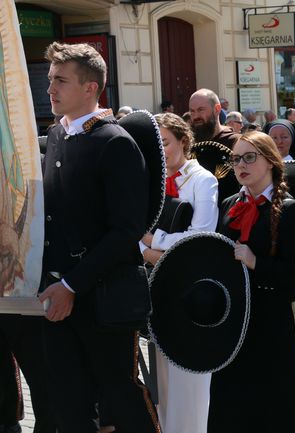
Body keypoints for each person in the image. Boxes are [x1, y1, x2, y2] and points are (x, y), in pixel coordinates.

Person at [39, 41, 160, 432]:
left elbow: (125, 231)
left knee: (121, 396)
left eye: (60, 80)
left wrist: (72, 284)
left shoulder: (115, 142)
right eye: (49, 79)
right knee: (69, 402)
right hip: (57, 295)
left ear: (91, 88)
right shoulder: (57, 137)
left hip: (105, 297)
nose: (50, 89)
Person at [209, 131, 295, 432]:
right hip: (237, 315)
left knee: (282, 397)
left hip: (278, 316)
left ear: (270, 161)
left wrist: (256, 262)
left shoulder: (292, 210)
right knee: (234, 395)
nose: (240, 165)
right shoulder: (230, 203)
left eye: (249, 157)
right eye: (236, 159)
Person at [137, 112, 218, 432]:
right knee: (161, 380)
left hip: (190, 289)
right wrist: (147, 252)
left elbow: (202, 234)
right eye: (156, 144)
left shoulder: (203, 180)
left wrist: (153, 242)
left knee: (189, 380)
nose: (161, 150)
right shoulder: (151, 182)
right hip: (156, 287)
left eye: (166, 142)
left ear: (184, 142)